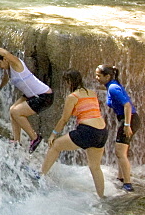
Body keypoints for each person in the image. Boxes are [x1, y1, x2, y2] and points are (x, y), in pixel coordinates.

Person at [41, 69, 108, 198]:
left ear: (69, 82)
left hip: (87, 130)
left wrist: (53, 134)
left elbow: (64, 119)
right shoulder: (92, 93)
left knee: (55, 146)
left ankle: (41, 175)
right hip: (102, 132)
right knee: (95, 167)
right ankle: (102, 197)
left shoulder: (73, 97)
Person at [0, 43, 54, 152]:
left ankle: (35, 137)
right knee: (12, 110)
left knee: (17, 112)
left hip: (44, 96)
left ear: (6, 60)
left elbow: (6, 53)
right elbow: (5, 79)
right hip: (31, 96)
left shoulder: (16, 64)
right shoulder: (8, 70)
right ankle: (16, 141)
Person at [95, 65, 140, 192]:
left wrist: (126, 125)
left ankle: (128, 184)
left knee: (120, 152)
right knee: (120, 151)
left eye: (99, 75)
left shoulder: (113, 87)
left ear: (107, 76)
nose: (96, 78)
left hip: (129, 120)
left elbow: (127, 105)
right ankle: (121, 177)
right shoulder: (112, 85)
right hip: (127, 120)